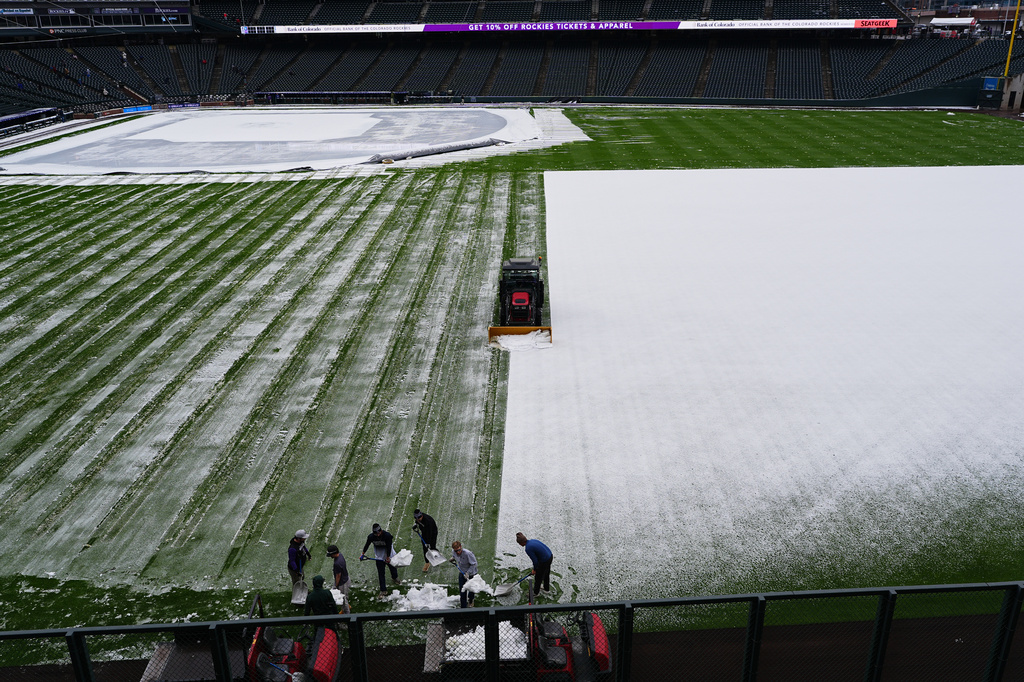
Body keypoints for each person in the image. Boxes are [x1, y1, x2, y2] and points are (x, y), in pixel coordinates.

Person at [362, 523, 400, 599]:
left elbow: (389, 547)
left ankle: (395, 577)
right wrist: (362, 553)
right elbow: (367, 545)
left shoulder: (387, 536)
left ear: (381, 531)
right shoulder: (371, 537)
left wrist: (388, 557)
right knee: (381, 573)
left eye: (379, 533)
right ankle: (383, 590)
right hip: (379, 557)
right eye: (376, 534)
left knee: (392, 568)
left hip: (389, 555)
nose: (378, 535)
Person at [516, 532, 553, 596]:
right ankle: (546, 589)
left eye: (519, 543)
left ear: (521, 543)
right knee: (546, 574)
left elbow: (535, 561)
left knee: (538, 578)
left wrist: (535, 569)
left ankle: (536, 593)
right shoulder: (532, 540)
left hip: (544, 561)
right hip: (550, 556)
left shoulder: (528, 548)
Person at [451, 541, 477, 608]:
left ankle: (471, 600)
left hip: (471, 574)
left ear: (461, 547)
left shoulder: (468, 554)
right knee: (462, 590)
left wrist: (468, 572)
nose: (458, 552)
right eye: (456, 551)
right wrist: (453, 558)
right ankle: (463, 607)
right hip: (462, 573)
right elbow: (454, 556)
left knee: (471, 589)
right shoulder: (454, 552)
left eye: (459, 550)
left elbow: (474, 564)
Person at [413, 509, 438, 573]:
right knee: (424, 548)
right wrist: (415, 524)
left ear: (421, 516)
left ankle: (436, 555)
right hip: (424, 532)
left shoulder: (428, 521)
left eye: (419, 518)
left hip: (432, 533)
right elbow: (417, 522)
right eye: (416, 518)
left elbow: (430, 533)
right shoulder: (418, 519)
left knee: (432, 546)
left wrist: (428, 543)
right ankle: (427, 562)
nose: (417, 519)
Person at [327, 544, 351, 614]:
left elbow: (338, 575)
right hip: (346, 579)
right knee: (345, 596)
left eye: (331, 555)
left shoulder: (337, 563)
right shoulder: (340, 555)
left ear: (333, 553)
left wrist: (336, 585)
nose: (330, 556)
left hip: (342, 583)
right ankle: (346, 608)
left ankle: (347, 614)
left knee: (343, 600)